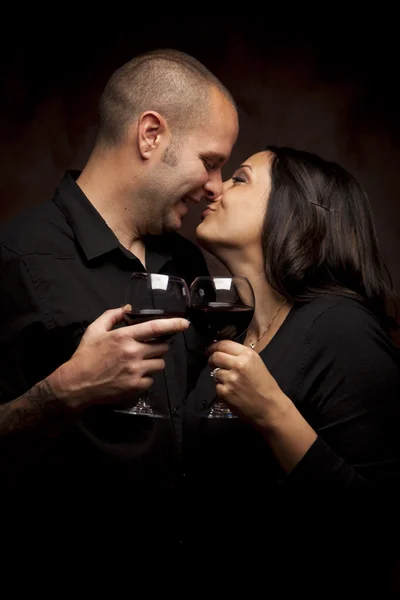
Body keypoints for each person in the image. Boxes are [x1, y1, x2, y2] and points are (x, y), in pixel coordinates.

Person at [0, 49, 238, 550]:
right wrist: (65, 391)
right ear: (151, 135)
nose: (215, 187)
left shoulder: (188, 264)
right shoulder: (17, 256)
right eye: (210, 163)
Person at [183, 146, 400, 594]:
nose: (215, 187)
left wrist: (273, 414)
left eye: (239, 178)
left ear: (295, 213)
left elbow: (380, 526)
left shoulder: (341, 327)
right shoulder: (230, 333)